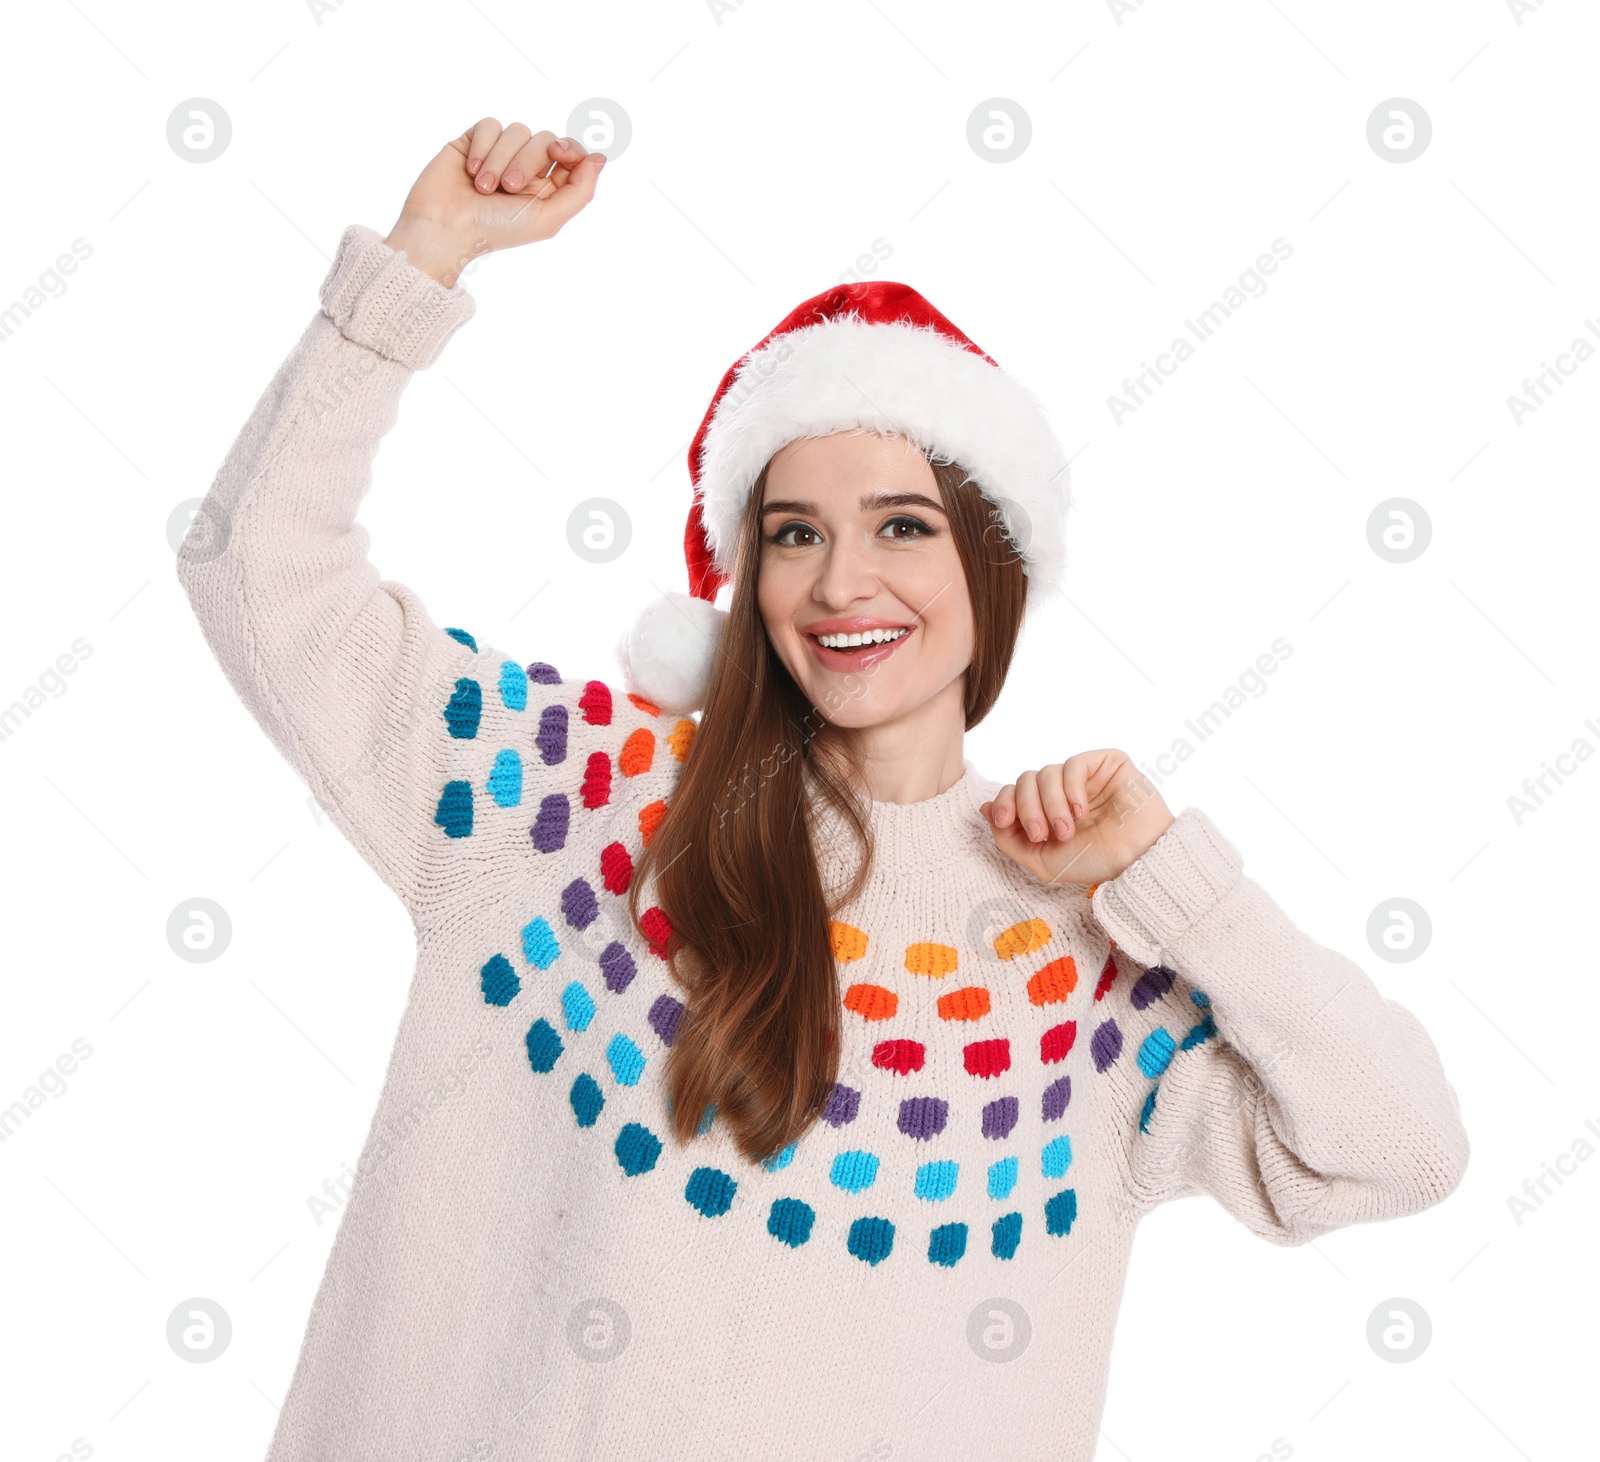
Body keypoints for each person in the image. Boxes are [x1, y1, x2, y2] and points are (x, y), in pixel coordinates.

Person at [177, 119, 1469, 1462]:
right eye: (796, 533)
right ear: (748, 578)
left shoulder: (1084, 963)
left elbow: (1398, 1147)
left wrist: (1183, 890)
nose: (845, 581)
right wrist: (424, 260)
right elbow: (258, 571)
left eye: (903, 526)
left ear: (993, 567)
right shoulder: (564, 800)